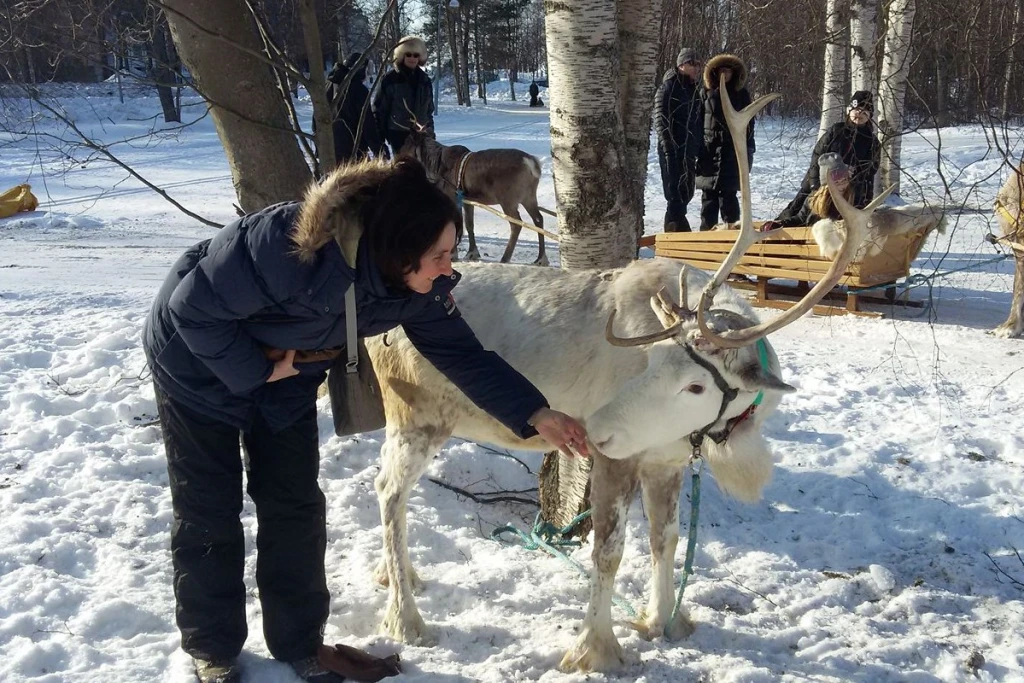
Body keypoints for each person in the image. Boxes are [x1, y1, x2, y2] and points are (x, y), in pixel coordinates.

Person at [143, 158, 589, 683]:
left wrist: (535, 412)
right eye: (439, 255)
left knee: (294, 504)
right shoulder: (290, 246)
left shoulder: (413, 287)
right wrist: (256, 373)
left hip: (285, 376)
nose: (451, 268)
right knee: (208, 506)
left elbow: (464, 356)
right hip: (195, 367)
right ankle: (213, 648)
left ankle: (299, 642)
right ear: (399, 249)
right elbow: (190, 308)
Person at [775, 90, 881, 224]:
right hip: (819, 182)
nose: (859, 114)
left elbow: (870, 170)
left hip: (847, 190)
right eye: (856, 110)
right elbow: (817, 155)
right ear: (850, 111)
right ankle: (774, 231)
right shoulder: (836, 130)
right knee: (796, 210)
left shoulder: (872, 142)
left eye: (864, 112)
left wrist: (850, 176)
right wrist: (814, 184)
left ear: (869, 117)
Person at [695, 53, 755, 230]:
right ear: (715, 72)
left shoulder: (741, 94)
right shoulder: (705, 93)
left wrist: (747, 149)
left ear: (733, 73)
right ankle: (706, 236)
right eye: (722, 71)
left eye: (728, 71)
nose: (725, 74)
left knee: (729, 196)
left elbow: (749, 123)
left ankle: (732, 234)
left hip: (731, 152)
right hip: (709, 152)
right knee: (708, 197)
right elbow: (697, 122)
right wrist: (698, 149)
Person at [654, 47, 704, 232]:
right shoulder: (669, 86)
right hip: (673, 149)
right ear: (681, 65)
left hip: (688, 150)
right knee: (674, 195)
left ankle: (676, 233)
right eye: (693, 64)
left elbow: (697, 122)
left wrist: (698, 147)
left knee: (685, 193)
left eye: (699, 64)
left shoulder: (693, 91)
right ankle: (675, 235)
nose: (697, 68)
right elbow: (660, 118)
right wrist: (668, 148)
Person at [373, 36, 434, 156]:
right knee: (403, 171)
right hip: (398, 136)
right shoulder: (390, 79)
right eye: (408, 54)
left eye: (416, 55)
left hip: (422, 136)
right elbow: (380, 111)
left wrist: (430, 131)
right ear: (402, 55)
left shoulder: (425, 80)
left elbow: (429, 111)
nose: (412, 58)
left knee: (423, 172)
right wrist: (380, 140)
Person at [324, 52, 386, 164]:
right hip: (354, 149)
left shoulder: (327, 85)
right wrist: (378, 150)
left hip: (328, 148)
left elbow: (317, 117)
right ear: (361, 69)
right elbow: (367, 123)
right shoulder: (358, 90)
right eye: (367, 70)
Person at [765, 153, 855, 228]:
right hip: (813, 243)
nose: (842, 185)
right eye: (836, 183)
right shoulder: (813, 199)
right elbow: (800, 219)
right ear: (826, 185)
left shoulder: (854, 198)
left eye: (844, 180)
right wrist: (781, 224)